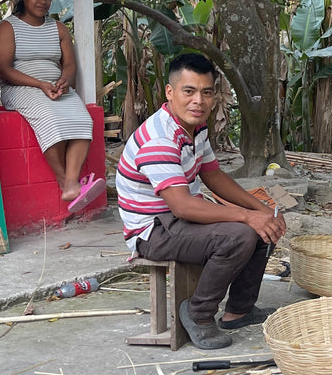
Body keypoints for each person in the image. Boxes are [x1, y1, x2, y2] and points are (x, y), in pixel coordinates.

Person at [116, 53, 287, 349]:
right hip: (152, 230)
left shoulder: (195, 128)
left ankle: (239, 310)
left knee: (264, 227)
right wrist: (248, 217)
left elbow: (214, 175)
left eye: (206, 92)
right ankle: (198, 314)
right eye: (189, 91)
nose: (199, 101)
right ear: (170, 93)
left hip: (178, 219)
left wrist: (263, 210)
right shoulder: (160, 138)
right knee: (240, 234)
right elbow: (182, 206)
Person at [0, 0, 104, 212]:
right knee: (50, 117)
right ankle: (64, 181)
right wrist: (39, 84)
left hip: (54, 85)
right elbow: (2, 69)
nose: (43, 1)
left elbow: (69, 64)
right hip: (20, 87)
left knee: (83, 119)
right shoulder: (8, 28)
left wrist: (63, 81)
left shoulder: (58, 28)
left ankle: (72, 184)